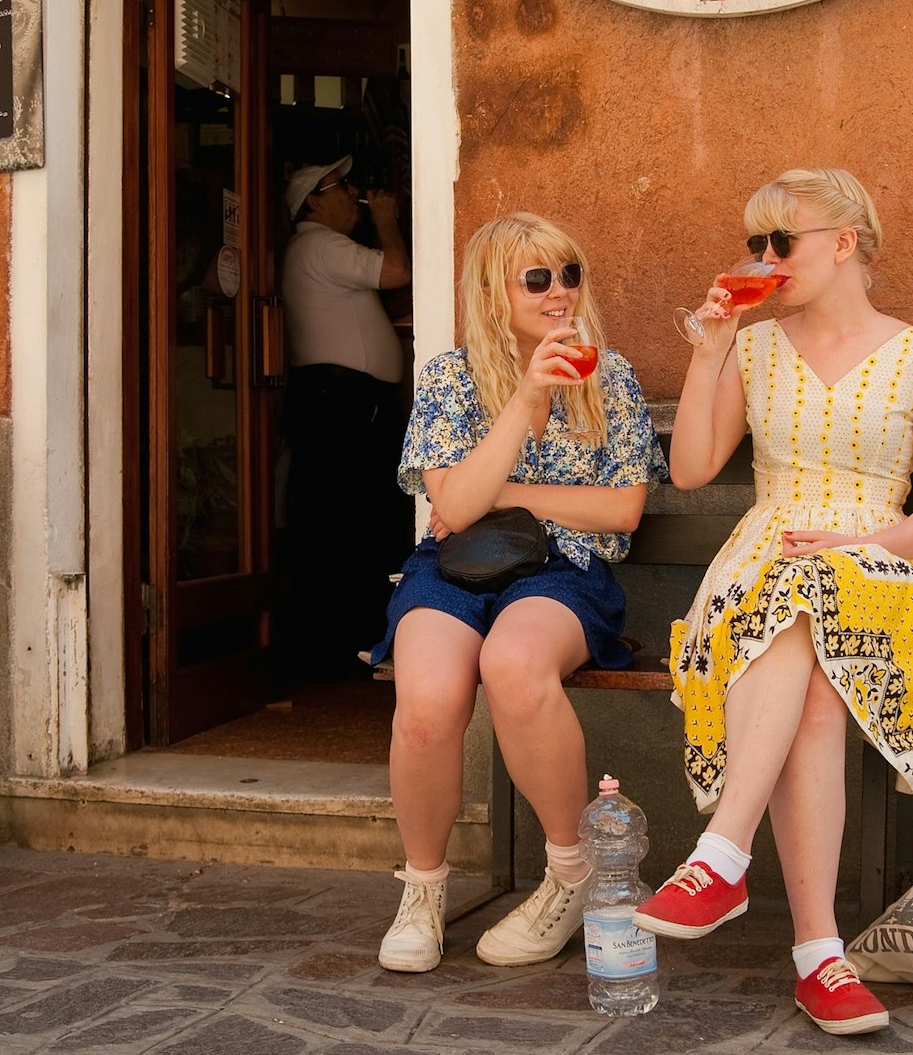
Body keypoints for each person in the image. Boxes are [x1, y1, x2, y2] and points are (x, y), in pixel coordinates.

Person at [632, 168, 913, 1037]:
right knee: (813, 690)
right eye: (756, 244)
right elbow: (692, 470)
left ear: (843, 244)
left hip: (883, 568)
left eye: (782, 242)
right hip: (767, 560)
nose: (765, 259)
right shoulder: (755, 349)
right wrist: (710, 348)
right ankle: (819, 957)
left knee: (811, 600)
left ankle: (721, 856)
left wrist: (862, 546)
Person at [370, 213, 668, 973]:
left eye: (570, 274)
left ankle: (571, 873)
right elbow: (457, 511)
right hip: (454, 570)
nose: (561, 292)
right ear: (493, 292)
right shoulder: (448, 379)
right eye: (538, 279)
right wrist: (525, 394)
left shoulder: (612, 376)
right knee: (429, 700)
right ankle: (424, 889)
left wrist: (511, 494)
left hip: (563, 573)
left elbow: (621, 512)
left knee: (513, 664)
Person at [280, 154, 413, 680]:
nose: (352, 192)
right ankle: (349, 641)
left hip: (342, 402)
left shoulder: (316, 248)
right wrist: (385, 219)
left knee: (348, 518)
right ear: (314, 199)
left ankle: (346, 639)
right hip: (342, 404)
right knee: (355, 520)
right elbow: (396, 270)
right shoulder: (320, 242)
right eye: (341, 186)